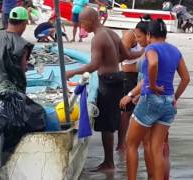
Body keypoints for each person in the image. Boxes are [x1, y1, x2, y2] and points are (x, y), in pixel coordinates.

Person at [65, 7, 143, 171]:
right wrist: (144, 50)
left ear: (91, 20)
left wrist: (72, 72)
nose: (81, 26)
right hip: (118, 78)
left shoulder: (98, 38)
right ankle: (114, 154)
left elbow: (94, 65)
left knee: (106, 124)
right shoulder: (111, 33)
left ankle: (109, 163)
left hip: (107, 82)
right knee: (114, 117)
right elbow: (126, 56)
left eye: (82, 22)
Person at [126, 19, 190, 180]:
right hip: (168, 103)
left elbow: (153, 63)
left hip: (151, 99)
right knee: (157, 149)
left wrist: (153, 86)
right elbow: (186, 78)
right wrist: (174, 97)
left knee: (131, 144)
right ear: (165, 34)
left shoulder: (151, 47)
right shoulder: (175, 50)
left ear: (149, 35)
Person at [0, 7, 46, 150]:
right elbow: (21, 73)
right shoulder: (22, 45)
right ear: (24, 24)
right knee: (38, 115)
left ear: (8, 21)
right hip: (6, 94)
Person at [116, 15, 151, 151]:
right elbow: (122, 55)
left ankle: (138, 138)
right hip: (128, 75)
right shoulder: (131, 35)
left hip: (140, 76)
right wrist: (141, 53)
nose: (139, 38)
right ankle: (121, 144)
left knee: (136, 109)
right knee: (126, 111)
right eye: (138, 35)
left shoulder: (148, 39)